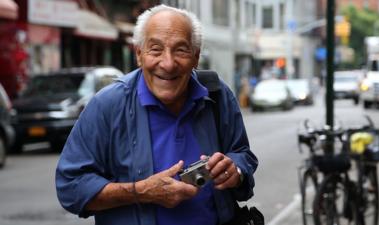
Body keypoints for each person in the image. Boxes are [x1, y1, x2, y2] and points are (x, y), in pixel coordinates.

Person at [55, 4, 258, 225]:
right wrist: (141, 191)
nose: (168, 64)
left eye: (180, 49)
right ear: (139, 54)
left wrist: (234, 170)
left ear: (196, 57)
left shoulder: (217, 95)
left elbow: (241, 153)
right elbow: (70, 187)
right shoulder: (107, 105)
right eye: (156, 49)